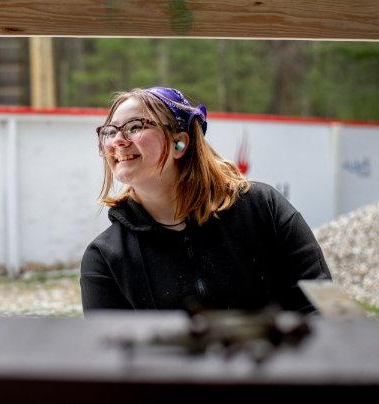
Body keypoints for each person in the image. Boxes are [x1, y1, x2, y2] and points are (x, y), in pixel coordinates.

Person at [80, 86, 331, 314]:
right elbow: (112, 356)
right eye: (110, 131)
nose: (117, 141)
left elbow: (324, 307)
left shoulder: (263, 209)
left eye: (135, 126)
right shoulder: (105, 257)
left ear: (179, 142)